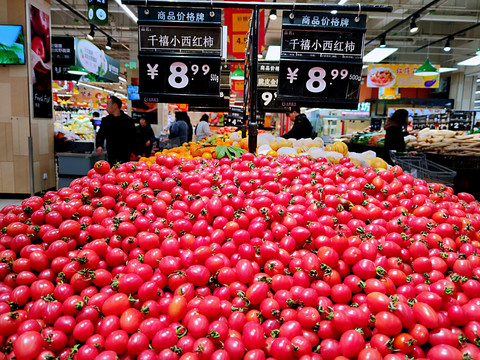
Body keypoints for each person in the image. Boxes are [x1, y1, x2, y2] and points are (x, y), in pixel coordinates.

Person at [96, 96, 136, 166]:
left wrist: (136, 152)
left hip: (125, 154)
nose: (106, 108)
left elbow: (134, 137)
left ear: (115, 105)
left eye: (108, 104)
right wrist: (99, 145)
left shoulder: (128, 121)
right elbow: (101, 134)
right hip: (111, 153)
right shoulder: (106, 121)